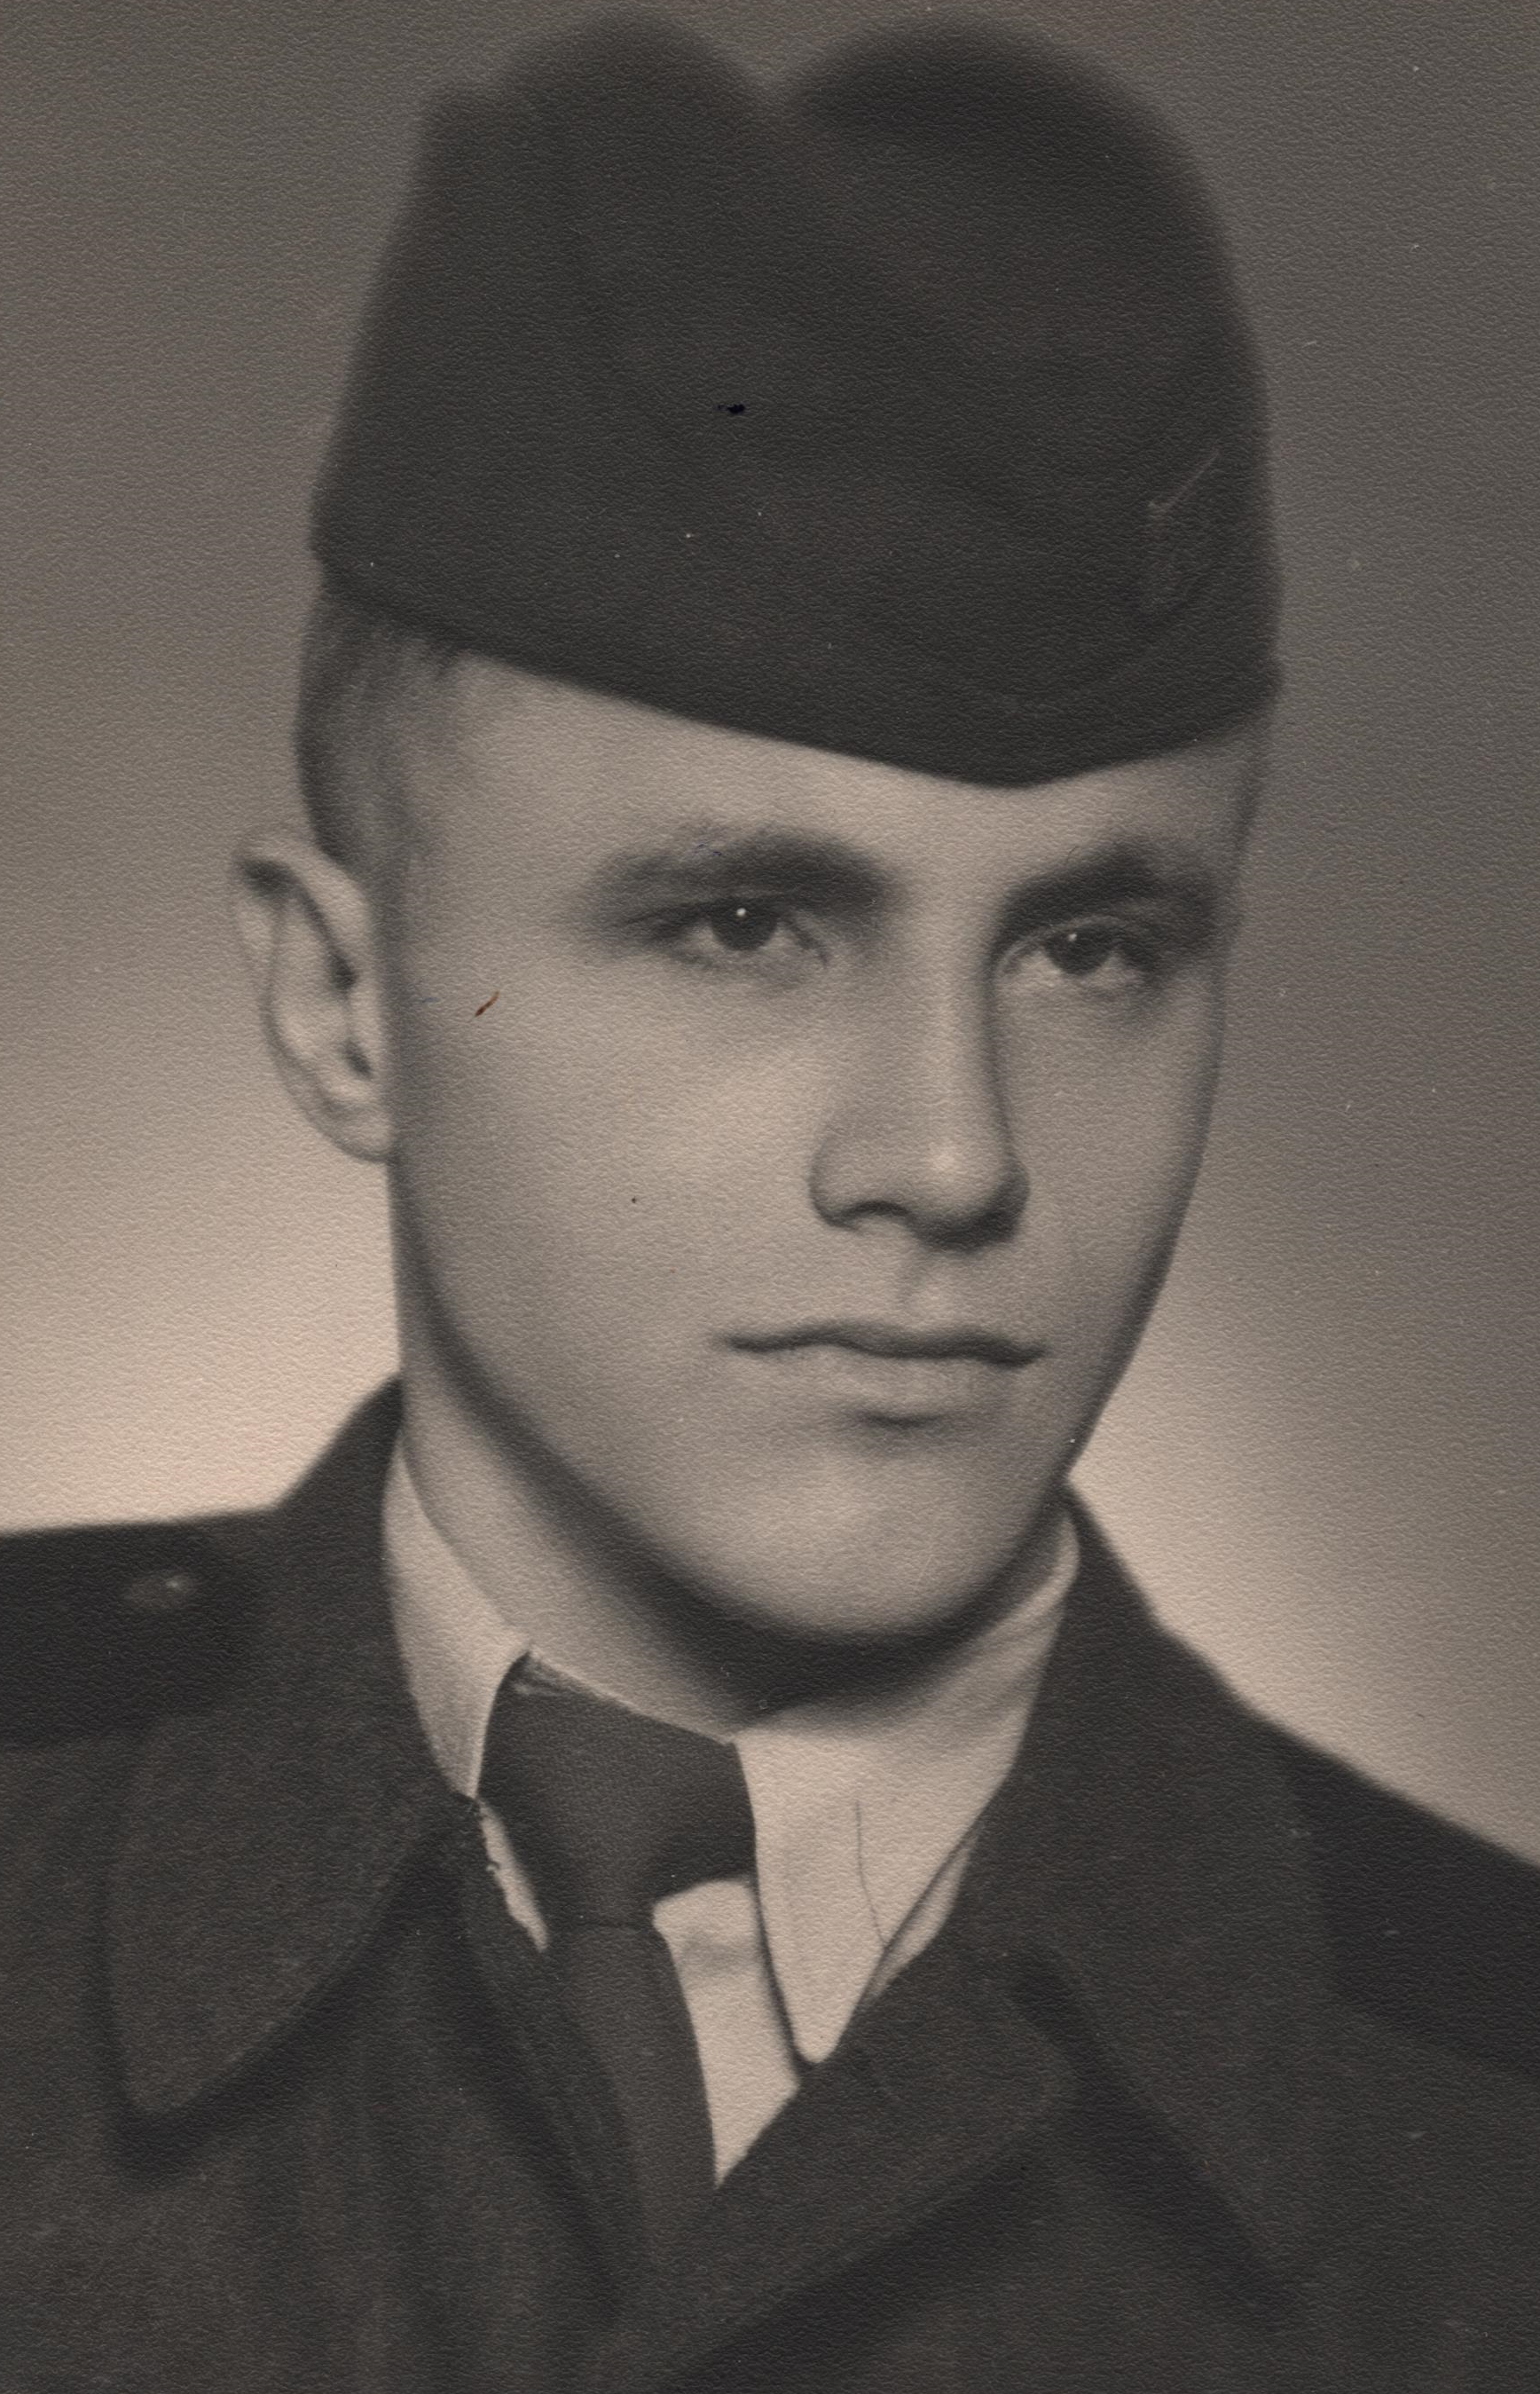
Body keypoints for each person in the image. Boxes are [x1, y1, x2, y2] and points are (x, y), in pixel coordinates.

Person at [4, 14, 1539, 2390]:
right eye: (743, 924)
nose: (951, 1156)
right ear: (343, 1005)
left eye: (1092, 948)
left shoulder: (1482, 2122)